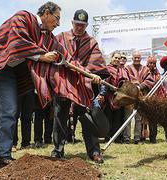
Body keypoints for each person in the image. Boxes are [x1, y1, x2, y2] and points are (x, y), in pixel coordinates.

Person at [0, 2, 102, 176]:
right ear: (46, 13)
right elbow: (16, 42)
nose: (57, 24)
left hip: (7, 74)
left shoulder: (48, 38)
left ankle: (2, 155)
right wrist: (41, 55)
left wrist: (89, 74)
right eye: (57, 18)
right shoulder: (23, 17)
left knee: (10, 112)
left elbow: (66, 57)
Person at [52, 9, 109, 163]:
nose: (79, 28)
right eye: (77, 24)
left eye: (83, 25)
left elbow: (97, 64)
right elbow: (52, 56)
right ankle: (58, 150)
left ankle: (94, 152)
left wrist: (95, 75)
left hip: (83, 85)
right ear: (72, 23)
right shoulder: (60, 38)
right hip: (63, 83)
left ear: (87, 25)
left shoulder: (91, 42)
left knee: (88, 118)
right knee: (60, 116)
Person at [124, 51, 155, 144]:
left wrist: (140, 86)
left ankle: (137, 138)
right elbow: (126, 79)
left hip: (141, 96)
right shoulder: (127, 68)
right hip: (129, 96)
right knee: (127, 117)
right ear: (132, 58)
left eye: (138, 57)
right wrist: (135, 84)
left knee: (139, 118)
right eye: (135, 57)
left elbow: (150, 80)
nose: (137, 59)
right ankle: (127, 138)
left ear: (141, 59)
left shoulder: (146, 69)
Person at [104, 51, 130, 143]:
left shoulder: (123, 70)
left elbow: (127, 82)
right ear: (111, 58)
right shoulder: (106, 69)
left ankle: (117, 138)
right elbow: (104, 82)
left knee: (118, 118)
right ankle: (108, 137)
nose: (117, 60)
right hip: (109, 97)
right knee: (108, 118)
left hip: (120, 98)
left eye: (119, 58)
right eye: (115, 57)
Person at [146, 55, 166, 143]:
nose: (152, 65)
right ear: (147, 63)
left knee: (153, 120)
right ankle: (141, 137)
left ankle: (153, 137)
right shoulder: (145, 72)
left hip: (155, 99)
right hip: (146, 97)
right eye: (150, 63)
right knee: (143, 119)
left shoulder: (157, 73)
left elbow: (160, 86)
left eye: (153, 63)